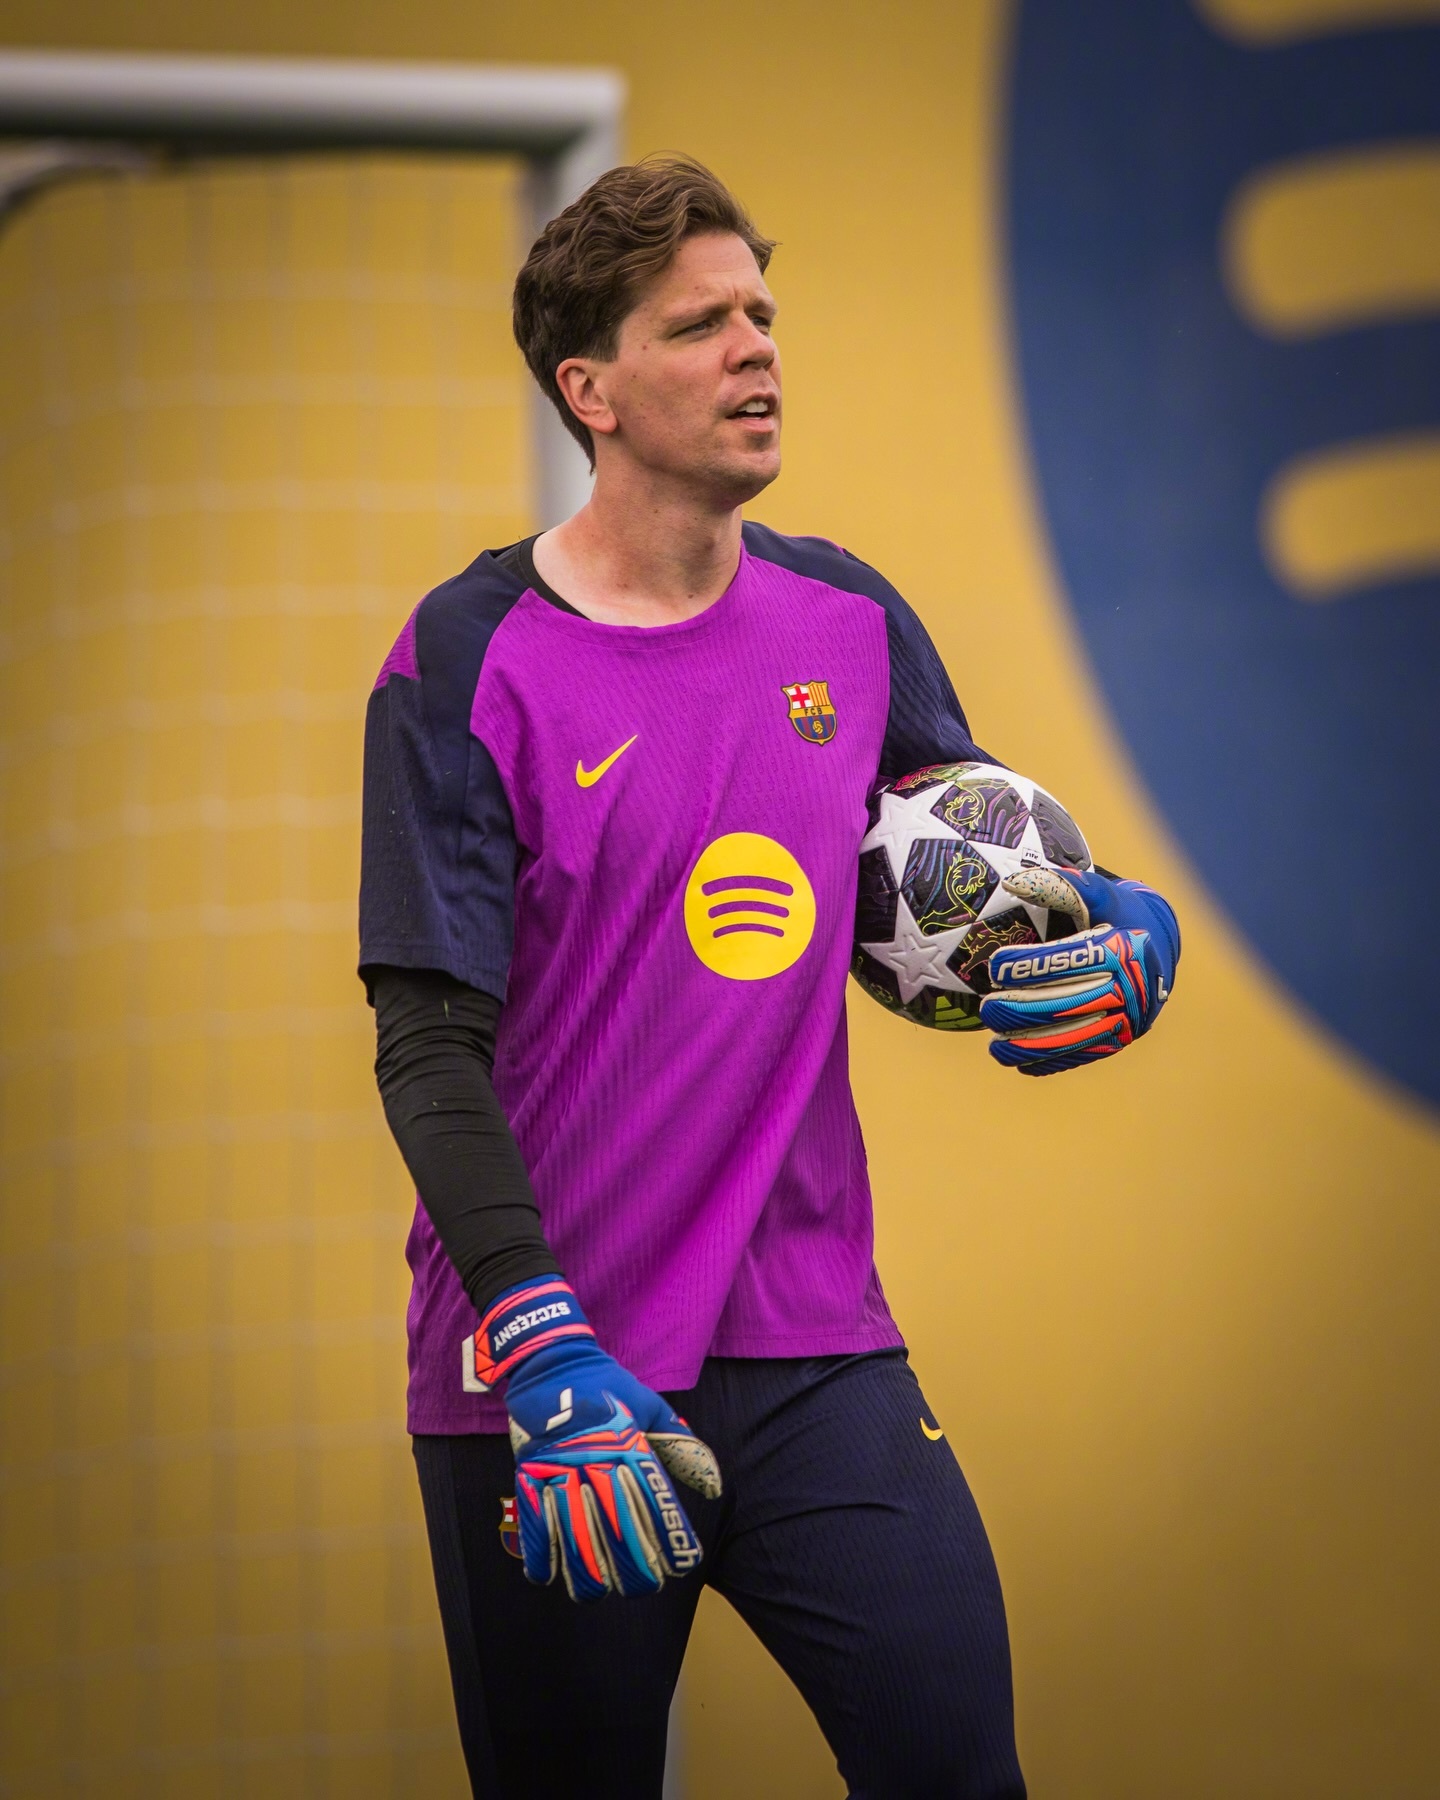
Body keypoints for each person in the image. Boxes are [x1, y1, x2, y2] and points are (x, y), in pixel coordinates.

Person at [359, 156, 1178, 1800]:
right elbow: (429, 1049)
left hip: (816, 1348)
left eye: (761, 314)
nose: (756, 350)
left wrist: (1130, 932)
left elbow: (988, 852)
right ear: (589, 389)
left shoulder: (847, 618)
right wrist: (540, 1342)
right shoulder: (463, 660)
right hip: (558, 1376)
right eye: (700, 325)